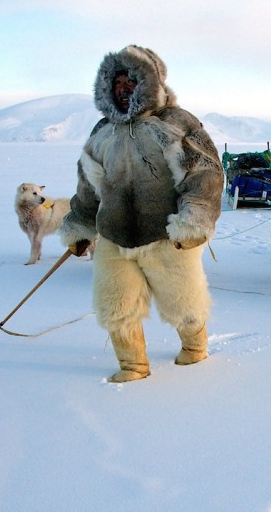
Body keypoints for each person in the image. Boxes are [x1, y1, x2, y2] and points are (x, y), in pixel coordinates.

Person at [60, 45, 224, 383]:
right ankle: (132, 366)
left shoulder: (176, 123)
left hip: (168, 236)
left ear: (150, 83)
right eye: (117, 82)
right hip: (114, 236)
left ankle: (194, 350)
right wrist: (79, 227)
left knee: (184, 305)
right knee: (115, 307)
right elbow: (89, 186)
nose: (123, 88)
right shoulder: (102, 131)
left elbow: (206, 173)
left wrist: (194, 219)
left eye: (131, 81)